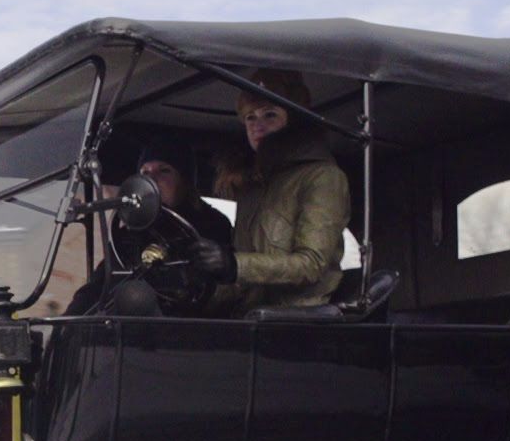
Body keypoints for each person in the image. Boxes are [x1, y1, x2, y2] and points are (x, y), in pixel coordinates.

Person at [190, 69, 348, 315]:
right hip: (252, 316)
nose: (257, 126)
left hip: (299, 320)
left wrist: (235, 265)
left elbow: (311, 265)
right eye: (250, 118)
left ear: (293, 119)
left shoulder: (322, 177)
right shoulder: (251, 185)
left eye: (270, 114)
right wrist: (199, 296)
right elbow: (243, 282)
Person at [67, 137, 231, 316]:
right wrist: (65, 324)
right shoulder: (129, 234)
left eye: (164, 171)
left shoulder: (213, 225)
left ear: (185, 181)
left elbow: (220, 291)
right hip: (133, 325)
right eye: (145, 172)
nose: (152, 179)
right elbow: (98, 287)